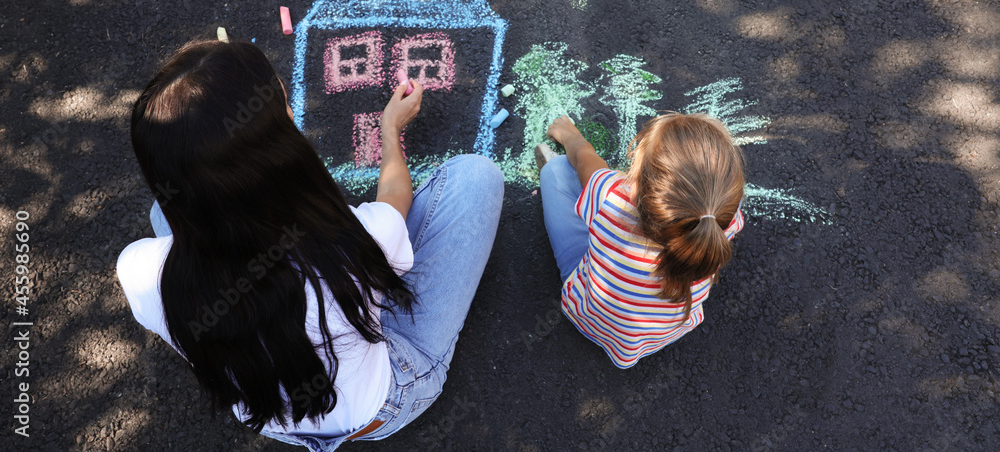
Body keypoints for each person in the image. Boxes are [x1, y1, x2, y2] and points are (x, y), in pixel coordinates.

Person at [116, 40, 503, 450]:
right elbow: (395, 202)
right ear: (273, 149)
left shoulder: (138, 271)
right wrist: (390, 131)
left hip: (269, 416)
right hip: (385, 402)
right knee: (475, 178)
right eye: (283, 109)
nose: (291, 113)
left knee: (166, 211)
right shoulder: (346, 244)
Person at [536, 112, 745, 369]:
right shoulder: (720, 220)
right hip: (667, 331)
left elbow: (582, 158)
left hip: (588, 315)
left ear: (633, 188)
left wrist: (569, 134)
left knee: (555, 171)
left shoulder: (611, 198)